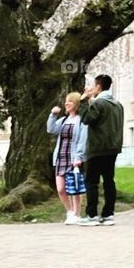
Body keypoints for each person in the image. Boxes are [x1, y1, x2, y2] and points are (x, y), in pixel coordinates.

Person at [77, 73, 124, 226]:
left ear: (98, 86)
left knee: (92, 182)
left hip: (97, 148)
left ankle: (92, 215)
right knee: (109, 181)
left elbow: (86, 119)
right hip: (113, 148)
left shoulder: (99, 103)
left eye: (94, 85)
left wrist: (84, 100)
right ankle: (108, 214)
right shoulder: (118, 105)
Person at [47, 92, 88, 224]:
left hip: (73, 158)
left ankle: (76, 214)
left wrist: (79, 157)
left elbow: (82, 140)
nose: (66, 103)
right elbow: (51, 129)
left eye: (69, 101)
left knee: (74, 188)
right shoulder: (64, 120)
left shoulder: (81, 121)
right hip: (60, 157)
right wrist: (53, 115)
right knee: (60, 189)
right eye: (66, 101)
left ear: (76, 104)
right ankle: (69, 212)